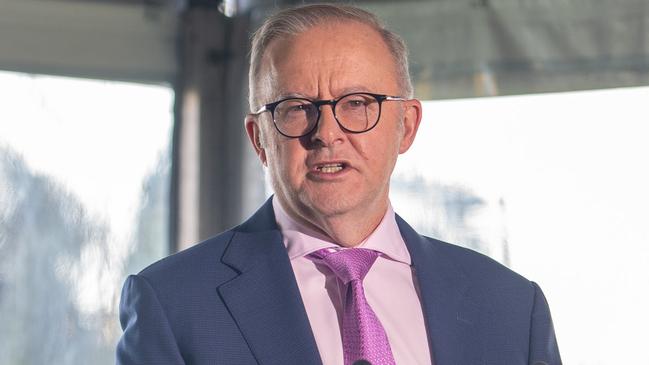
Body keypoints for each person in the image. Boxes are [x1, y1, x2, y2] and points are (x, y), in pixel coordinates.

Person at [116, 4, 561, 365]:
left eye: (357, 103)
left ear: (406, 126)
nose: (327, 133)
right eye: (295, 108)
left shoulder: (512, 310)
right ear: (259, 139)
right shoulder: (173, 305)